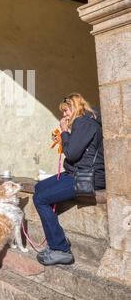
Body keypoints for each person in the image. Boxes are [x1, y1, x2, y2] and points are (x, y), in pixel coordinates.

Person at [33, 93, 105, 266]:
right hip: (76, 172)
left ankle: (60, 249)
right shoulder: (84, 122)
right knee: (39, 187)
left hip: (87, 177)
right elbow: (77, 149)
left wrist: (65, 131)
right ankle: (56, 235)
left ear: (75, 107)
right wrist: (63, 137)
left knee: (40, 198)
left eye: (66, 111)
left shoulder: (84, 122)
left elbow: (72, 154)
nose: (64, 115)